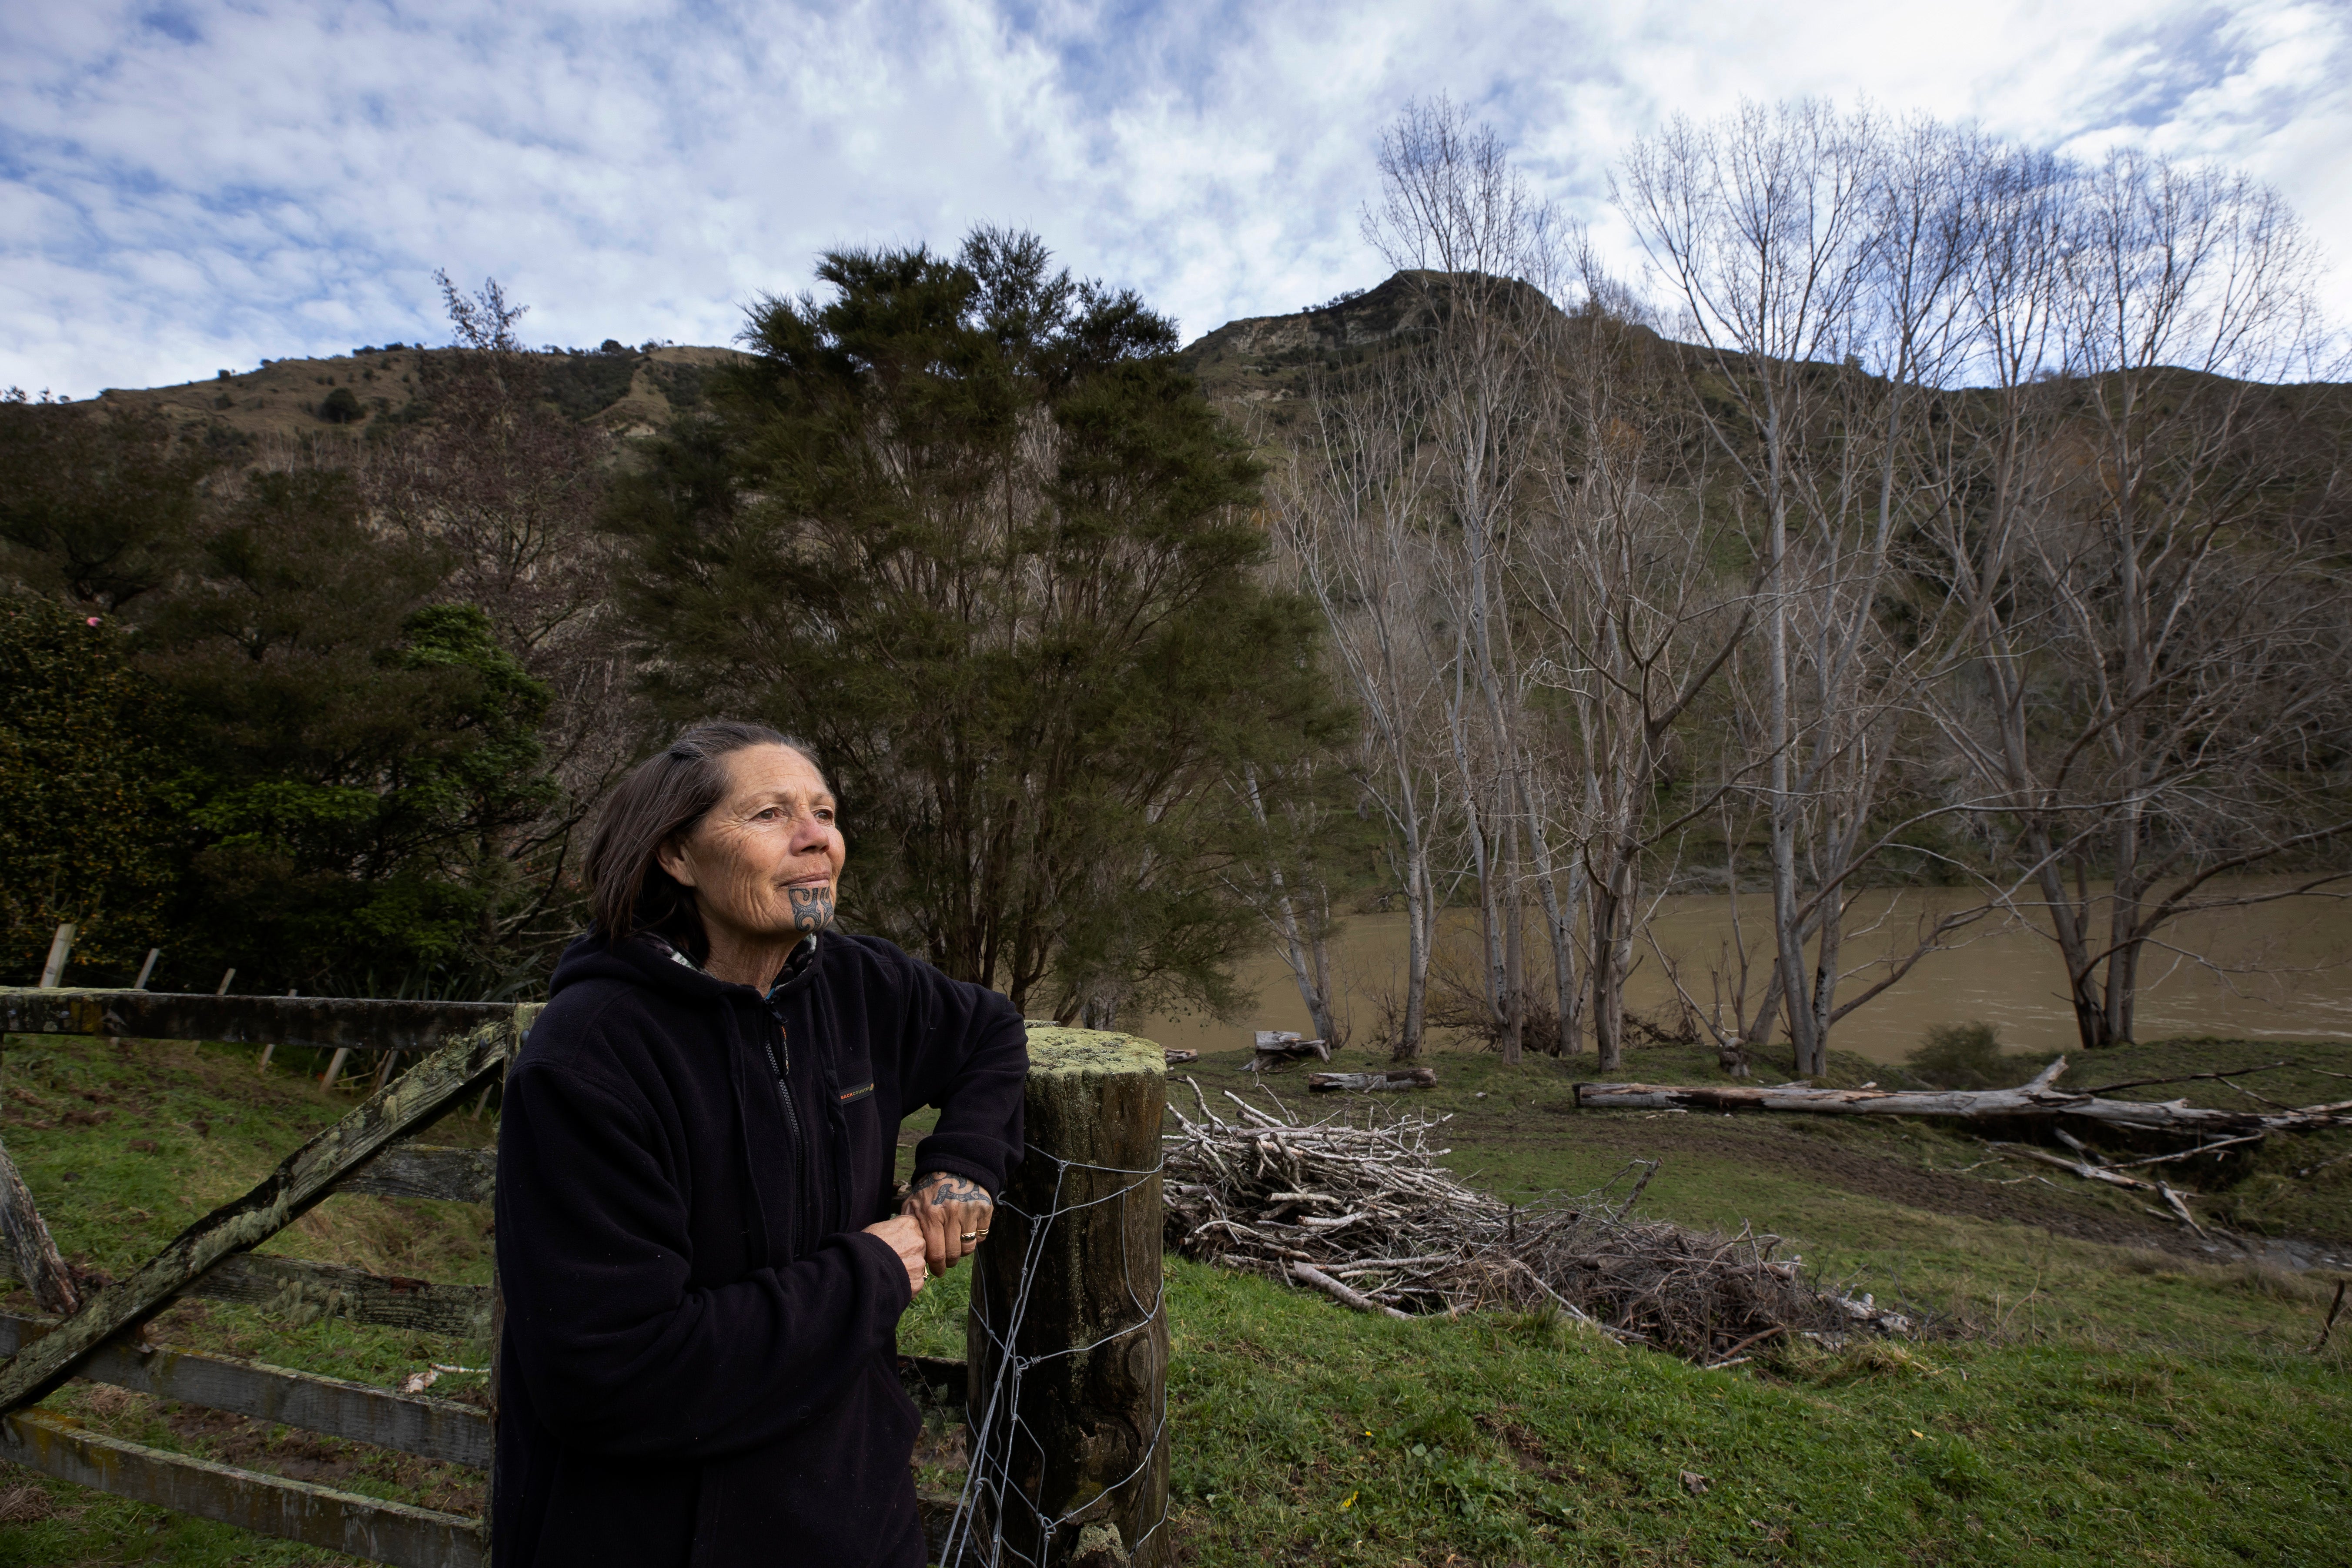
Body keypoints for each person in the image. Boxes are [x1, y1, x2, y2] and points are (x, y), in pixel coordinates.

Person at [492, 720, 1028, 1567]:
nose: (818, 838)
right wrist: (874, 1272)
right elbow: (613, 1378)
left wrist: (963, 1166)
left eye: (823, 812)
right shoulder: (589, 1062)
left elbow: (989, 1031)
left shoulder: (852, 981)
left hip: (856, 1515)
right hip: (661, 1535)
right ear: (676, 856)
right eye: (771, 815)